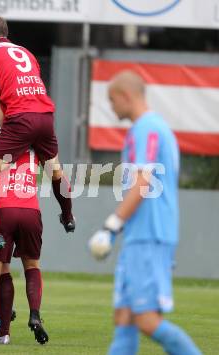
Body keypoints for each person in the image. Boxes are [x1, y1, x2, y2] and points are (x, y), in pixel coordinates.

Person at [89, 70, 201, 355]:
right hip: (142, 234)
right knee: (124, 319)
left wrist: (111, 225)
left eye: (113, 101)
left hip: (150, 235)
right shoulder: (152, 127)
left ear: (126, 96)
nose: (112, 108)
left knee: (147, 320)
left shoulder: (146, 128)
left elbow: (143, 181)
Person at [0, 15, 75, 262]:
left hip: (20, 119)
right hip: (45, 117)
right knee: (55, 172)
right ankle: (68, 216)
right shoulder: (26, 53)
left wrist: (7, 127)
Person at [0, 107, 46, 345]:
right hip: (31, 209)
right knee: (31, 265)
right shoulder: (38, 143)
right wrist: (67, 213)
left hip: (4, 210)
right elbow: (58, 174)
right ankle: (34, 314)